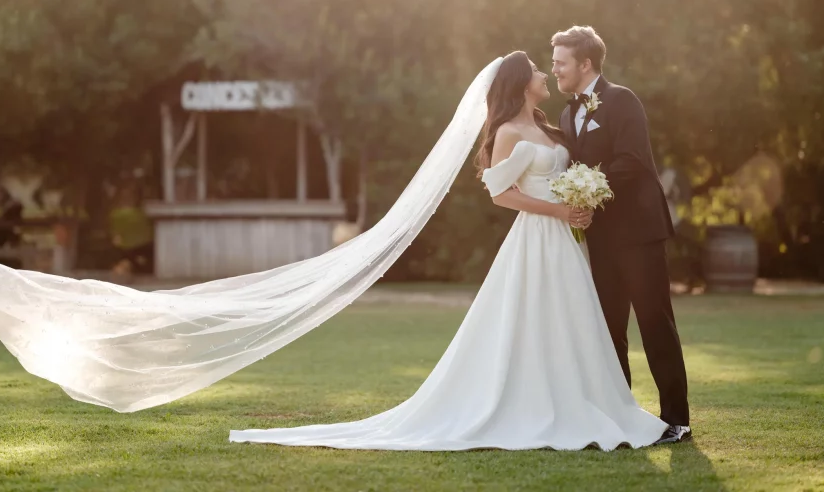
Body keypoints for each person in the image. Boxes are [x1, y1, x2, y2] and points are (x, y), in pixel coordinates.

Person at [229, 51, 666, 450]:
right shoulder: (509, 132)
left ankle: (589, 402)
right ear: (519, 82)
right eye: (536, 68)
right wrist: (557, 210)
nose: (543, 72)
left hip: (566, 242)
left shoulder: (550, 126)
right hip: (537, 236)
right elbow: (500, 194)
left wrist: (580, 204)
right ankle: (534, 406)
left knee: (573, 319)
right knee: (534, 317)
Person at [551, 25, 691, 444]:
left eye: (561, 62)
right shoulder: (564, 113)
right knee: (609, 328)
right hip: (600, 238)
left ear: (585, 64)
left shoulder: (621, 100)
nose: (554, 69)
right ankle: (620, 416)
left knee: (654, 321)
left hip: (639, 234)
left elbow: (632, 161)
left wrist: (588, 190)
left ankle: (677, 420)